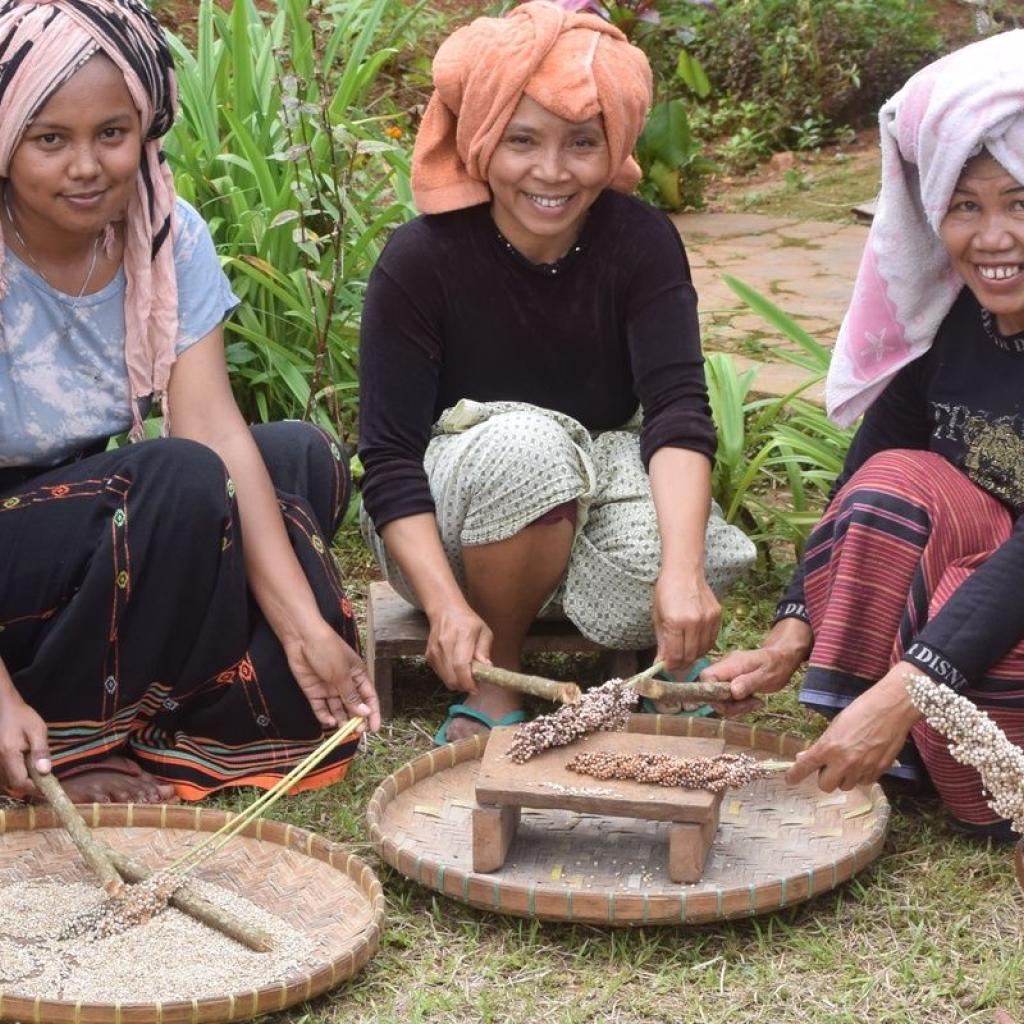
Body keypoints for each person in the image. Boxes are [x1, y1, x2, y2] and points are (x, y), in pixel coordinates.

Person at [0, 0, 379, 805]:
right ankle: (71, 737)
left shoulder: (165, 232)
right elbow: (192, 465)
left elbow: (214, 428)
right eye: (49, 139)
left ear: (145, 128)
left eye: (112, 133)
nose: (86, 166)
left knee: (293, 459)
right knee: (177, 481)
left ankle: (157, 712)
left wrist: (305, 629)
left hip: (76, 516)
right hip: (16, 554)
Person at [357, 0, 755, 744]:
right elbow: (386, 459)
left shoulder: (639, 242)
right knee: (528, 448)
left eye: (582, 142)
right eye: (522, 141)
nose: (551, 171)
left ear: (617, 144)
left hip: (591, 490)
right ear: (481, 142)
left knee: (686, 550)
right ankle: (493, 675)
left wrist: (681, 572)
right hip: (452, 524)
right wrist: (443, 606)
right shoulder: (421, 260)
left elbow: (676, 410)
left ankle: (643, 649)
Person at [704, 30, 1024, 839]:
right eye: (966, 204)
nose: (993, 239)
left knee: (972, 688)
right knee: (890, 486)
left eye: (1020, 202)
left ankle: (919, 739)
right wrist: (787, 634)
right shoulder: (953, 317)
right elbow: (869, 469)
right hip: (988, 580)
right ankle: (911, 741)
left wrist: (909, 686)